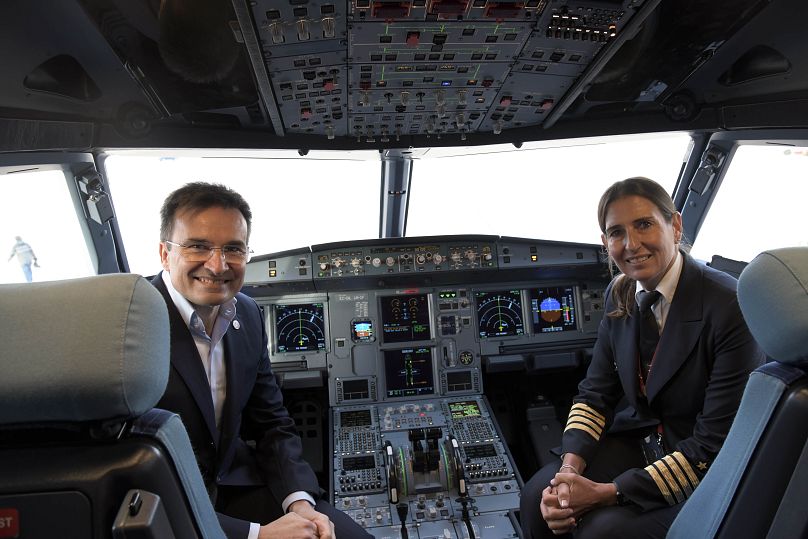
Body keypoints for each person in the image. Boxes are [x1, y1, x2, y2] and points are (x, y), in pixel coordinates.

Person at [518, 177, 765, 539]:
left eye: (644, 224)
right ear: (605, 243)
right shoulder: (620, 293)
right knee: (538, 497)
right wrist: (570, 472)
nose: (631, 245)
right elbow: (594, 395)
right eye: (616, 232)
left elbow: (713, 444)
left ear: (675, 225)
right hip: (646, 438)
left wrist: (607, 494)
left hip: (704, 464)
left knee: (603, 531)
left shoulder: (729, 305)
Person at [152, 182, 372, 539]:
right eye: (198, 246)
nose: (218, 264)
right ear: (165, 253)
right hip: (166, 501)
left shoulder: (248, 314)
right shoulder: (131, 322)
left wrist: (299, 503)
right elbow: (129, 463)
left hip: (235, 485)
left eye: (233, 250)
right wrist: (257, 535)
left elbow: (272, 423)